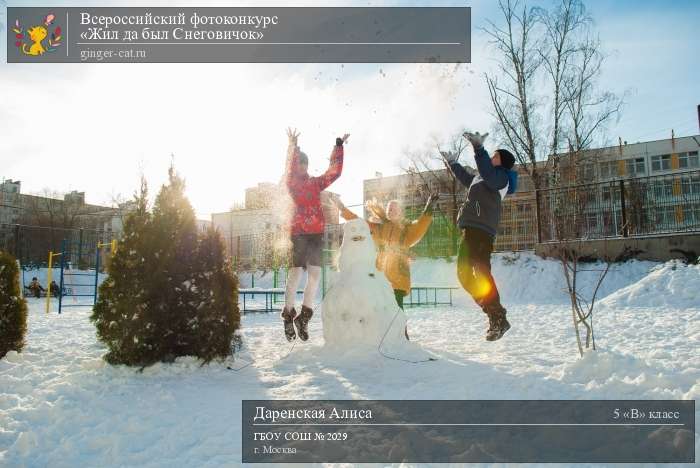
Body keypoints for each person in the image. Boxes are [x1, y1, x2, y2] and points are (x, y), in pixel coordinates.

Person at [442, 131, 518, 341]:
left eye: (495, 156)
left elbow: (486, 169)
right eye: (491, 155)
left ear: (502, 162)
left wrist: (478, 148)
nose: (491, 158)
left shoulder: (500, 179)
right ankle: (495, 313)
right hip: (469, 230)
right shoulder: (481, 177)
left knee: (482, 273)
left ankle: (498, 318)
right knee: (464, 275)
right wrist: (452, 162)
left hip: (483, 231)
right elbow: (465, 177)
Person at [332, 193, 439, 339]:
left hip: (398, 280)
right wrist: (342, 207)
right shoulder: (379, 229)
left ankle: (402, 337)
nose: (391, 211)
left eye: (395, 209)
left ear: (401, 212)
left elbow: (421, 226)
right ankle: (379, 337)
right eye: (389, 209)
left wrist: (429, 207)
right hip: (380, 278)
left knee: (396, 310)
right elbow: (359, 222)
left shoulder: (407, 231)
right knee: (378, 310)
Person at [282, 128, 349, 342]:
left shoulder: (315, 183)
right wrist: (293, 147)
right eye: (298, 163)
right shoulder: (291, 184)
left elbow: (334, 172)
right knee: (294, 276)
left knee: (314, 277)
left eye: (304, 163)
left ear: (308, 166)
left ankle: (304, 318)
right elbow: (289, 168)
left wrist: (338, 146)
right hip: (299, 234)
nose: (301, 166)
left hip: (316, 235)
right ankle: (288, 315)